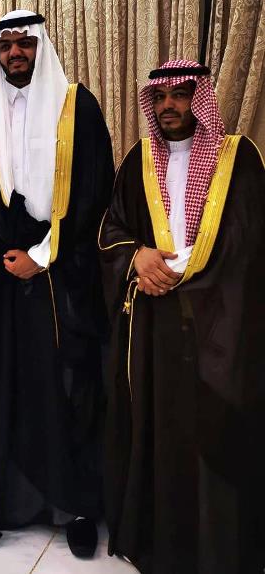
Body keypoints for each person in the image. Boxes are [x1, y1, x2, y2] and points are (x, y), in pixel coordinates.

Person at [0, 10, 114, 556]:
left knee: (65, 384)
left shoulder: (78, 107)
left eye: (25, 44)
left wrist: (42, 255)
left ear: (40, 47)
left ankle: (74, 506)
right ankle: (7, 499)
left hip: (61, 272)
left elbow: (93, 194)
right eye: (7, 44)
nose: (16, 53)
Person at [99, 59, 265, 573]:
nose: (168, 105)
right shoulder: (138, 159)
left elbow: (248, 240)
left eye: (180, 94)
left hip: (219, 323)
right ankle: (159, 540)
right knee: (159, 425)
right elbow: (112, 227)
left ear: (200, 99)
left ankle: (216, 550)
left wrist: (182, 267)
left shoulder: (238, 158)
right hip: (154, 323)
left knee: (212, 430)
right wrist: (138, 258)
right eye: (160, 97)